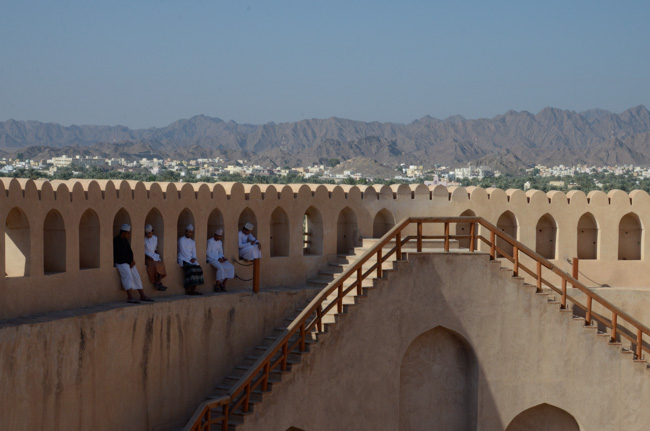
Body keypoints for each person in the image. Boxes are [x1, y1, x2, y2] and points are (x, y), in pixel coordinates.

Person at [113, 224, 153, 304]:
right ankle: (130, 297)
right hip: (121, 262)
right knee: (128, 275)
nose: (129, 235)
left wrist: (132, 261)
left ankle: (142, 295)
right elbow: (119, 254)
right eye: (128, 233)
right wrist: (129, 261)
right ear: (123, 233)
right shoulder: (116, 241)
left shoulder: (125, 240)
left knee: (136, 275)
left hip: (128, 262)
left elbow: (129, 252)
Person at [178, 224, 204, 295]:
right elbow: (183, 251)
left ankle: (194, 290)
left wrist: (194, 258)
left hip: (191, 260)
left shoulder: (192, 242)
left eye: (189, 232)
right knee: (191, 270)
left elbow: (194, 251)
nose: (188, 233)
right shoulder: (181, 240)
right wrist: (190, 259)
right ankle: (188, 289)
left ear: (191, 233)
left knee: (199, 269)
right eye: (186, 231)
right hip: (183, 258)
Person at [144, 224, 167, 291]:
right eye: (147, 233)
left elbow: (155, 248)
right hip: (147, 256)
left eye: (149, 233)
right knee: (154, 265)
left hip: (153, 255)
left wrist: (156, 255)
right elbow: (143, 251)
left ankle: (158, 282)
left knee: (161, 264)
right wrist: (148, 257)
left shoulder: (155, 238)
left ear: (152, 231)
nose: (148, 234)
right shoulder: (144, 239)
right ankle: (157, 283)